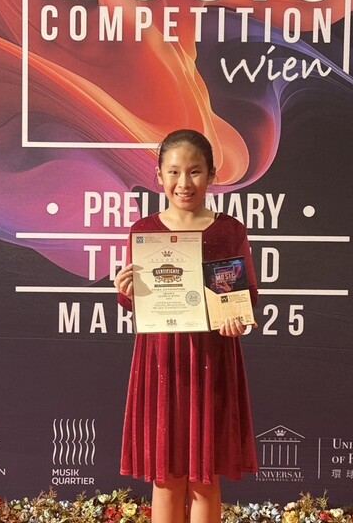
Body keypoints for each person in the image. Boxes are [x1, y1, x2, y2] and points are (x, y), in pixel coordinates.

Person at [114, 129, 259, 523]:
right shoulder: (144, 231)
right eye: (174, 172)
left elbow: (245, 296)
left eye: (195, 171)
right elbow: (136, 303)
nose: (184, 183)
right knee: (165, 479)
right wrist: (126, 290)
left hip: (212, 361)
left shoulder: (229, 230)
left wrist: (237, 320)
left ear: (212, 175)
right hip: (161, 361)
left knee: (204, 479)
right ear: (159, 175)